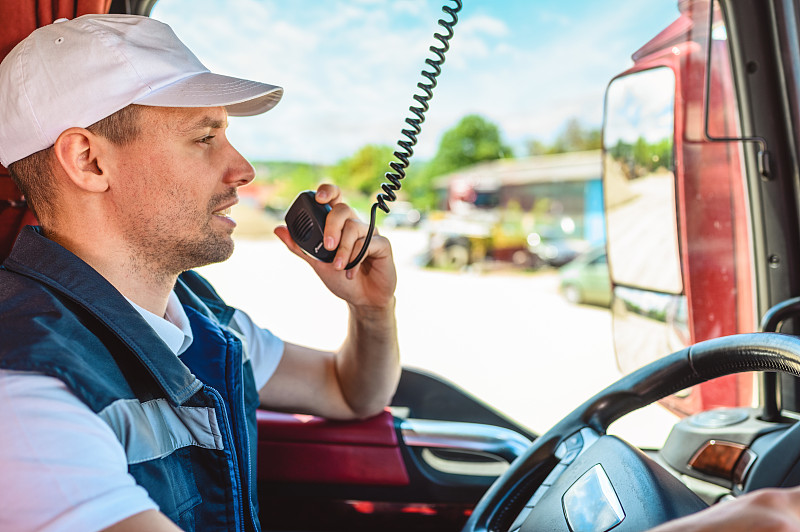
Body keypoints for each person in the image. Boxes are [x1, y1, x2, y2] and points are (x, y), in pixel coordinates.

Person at [0, 14, 399, 532]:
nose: (244, 169)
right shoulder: (25, 389)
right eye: (204, 138)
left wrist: (371, 309)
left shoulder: (198, 315)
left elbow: (350, 392)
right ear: (89, 161)